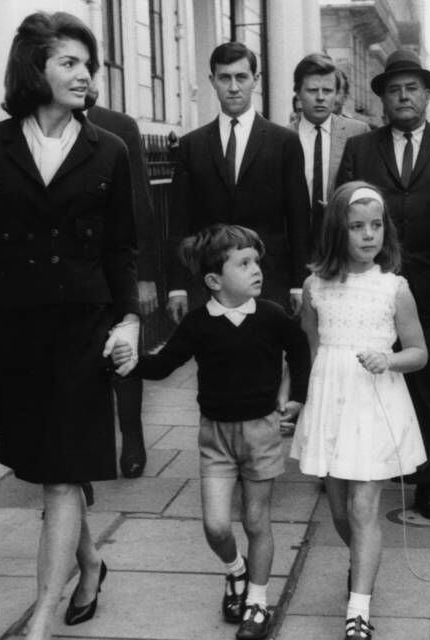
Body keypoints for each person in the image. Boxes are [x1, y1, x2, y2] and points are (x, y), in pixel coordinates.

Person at [0, 12, 141, 640]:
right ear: (33, 67)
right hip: (19, 330)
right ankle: (90, 562)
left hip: (84, 331)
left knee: (66, 474)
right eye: (69, 62)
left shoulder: (111, 150)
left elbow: (122, 248)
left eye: (87, 65)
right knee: (46, 467)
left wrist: (129, 322)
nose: (84, 75)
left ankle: (41, 614)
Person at [116, 224, 309, 640]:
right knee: (216, 526)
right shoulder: (199, 324)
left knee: (257, 521)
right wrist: (130, 363)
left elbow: (299, 350)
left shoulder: (273, 317)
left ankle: (257, 603)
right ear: (214, 281)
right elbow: (165, 363)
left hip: (261, 432)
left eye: (257, 260)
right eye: (244, 263)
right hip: (215, 438)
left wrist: (297, 396)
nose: (256, 268)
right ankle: (235, 571)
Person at [338, 49, 430, 520]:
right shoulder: (362, 149)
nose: (403, 96)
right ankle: (374, 466)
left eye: (412, 88)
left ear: (426, 93)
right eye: (394, 89)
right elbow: (341, 218)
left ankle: (427, 483)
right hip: (373, 290)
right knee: (373, 378)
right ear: (382, 99)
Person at [290, 182, 427, 640]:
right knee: (341, 513)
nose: (369, 236)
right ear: (337, 231)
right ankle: (362, 564)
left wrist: (388, 359)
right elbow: (311, 349)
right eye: (356, 227)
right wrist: (299, 397)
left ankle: (359, 609)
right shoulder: (315, 287)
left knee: (365, 506)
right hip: (332, 402)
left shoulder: (394, 288)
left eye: (376, 226)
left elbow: (419, 353)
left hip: (374, 402)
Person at [166, 42, 309, 322]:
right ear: (212, 81)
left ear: (255, 80)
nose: (233, 87)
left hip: (268, 279)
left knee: (264, 362)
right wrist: (177, 287)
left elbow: (298, 218)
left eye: (241, 77)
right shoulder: (191, 145)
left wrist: (298, 282)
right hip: (209, 282)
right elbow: (179, 222)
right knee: (214, 363)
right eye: (224, 78)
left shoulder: (284, 142)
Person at [87, 103, 158, 479]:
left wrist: (144, 274)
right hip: (67, 268)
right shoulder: (31, 124)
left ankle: (132, 439)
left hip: (113, 261)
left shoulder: (117, 126)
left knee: (124, 350)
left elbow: (140, 202)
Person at [290, 53, 369, 238]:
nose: (320, 98)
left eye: (327, 91)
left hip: (345, 238)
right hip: (296, 238)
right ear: (298, 92)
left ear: (336, 93)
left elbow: (367, 188)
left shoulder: (357, 132)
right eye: (312, 90)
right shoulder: (282, 137)